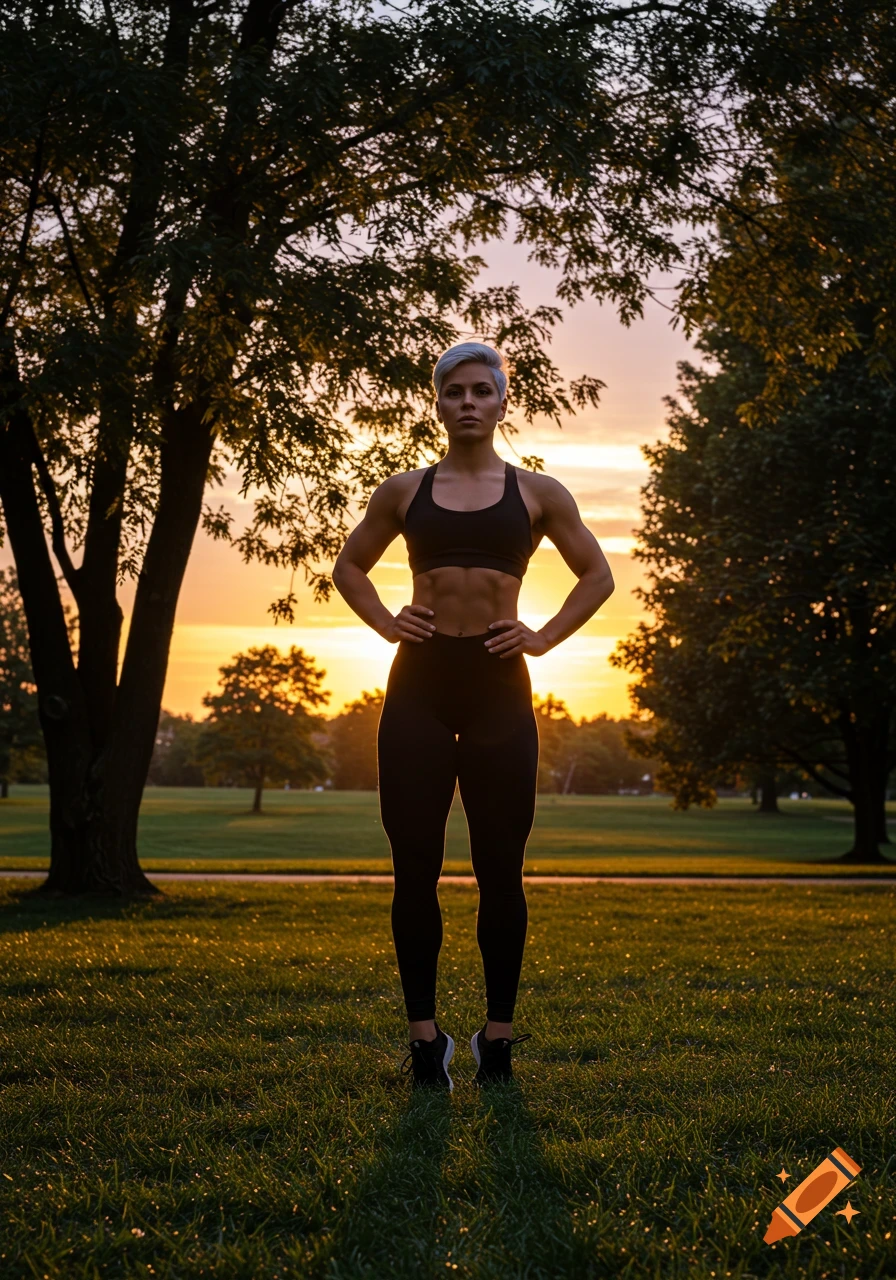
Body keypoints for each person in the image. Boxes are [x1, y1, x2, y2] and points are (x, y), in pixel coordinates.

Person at [332, 342, 614, 1088]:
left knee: (501, 873)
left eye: (480, 391)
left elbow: (599, 574)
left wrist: (546, 636)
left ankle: (498, 1037)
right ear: (437, 402)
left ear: (500, 401)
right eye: (453, 391)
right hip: (419, 684)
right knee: (414, 869)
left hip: (499, 687)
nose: (466, 402)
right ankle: (427, 1041)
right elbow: (348, 566)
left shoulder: (537, 494)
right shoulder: (402, 490)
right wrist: (388, 624)